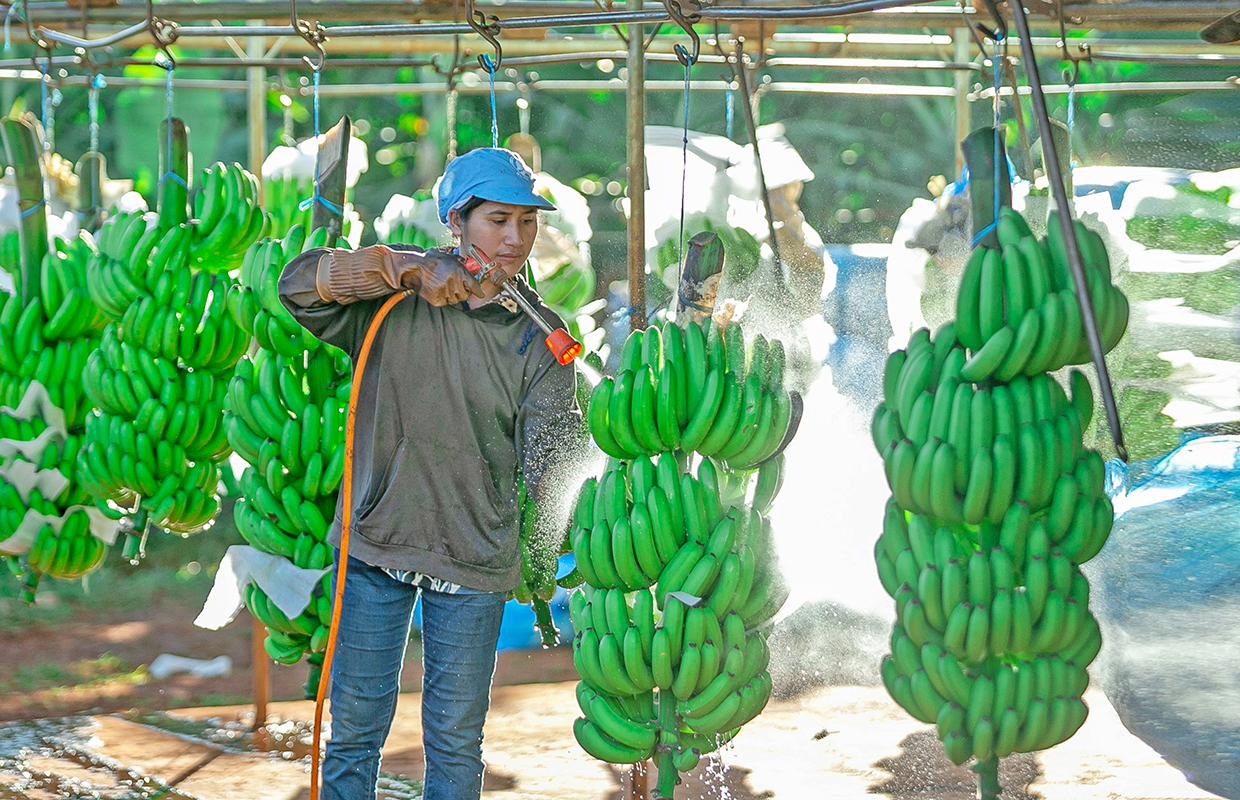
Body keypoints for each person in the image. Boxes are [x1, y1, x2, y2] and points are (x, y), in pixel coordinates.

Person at [278, 147, 583, 800]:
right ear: (456, 222)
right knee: (355, 729)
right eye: (498, 219)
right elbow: (297, 284)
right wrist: (405, 269)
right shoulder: (391, 303)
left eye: (527, 222)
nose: (515, 238)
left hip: (473, 558)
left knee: (453, 739)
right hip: (376, 545)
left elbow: (551, 461)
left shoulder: (540, 337)